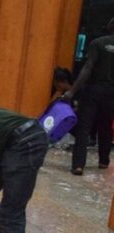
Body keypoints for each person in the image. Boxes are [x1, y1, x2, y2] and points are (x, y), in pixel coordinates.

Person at [63, 17, 114, 174]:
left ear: (110, 25)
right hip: (111, 94)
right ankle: (104, 162)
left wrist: (72, 92)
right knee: (105, 126)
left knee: (84, 128)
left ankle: (78, 165)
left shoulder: (98, 43)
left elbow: (88, 68)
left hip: (94, 91)